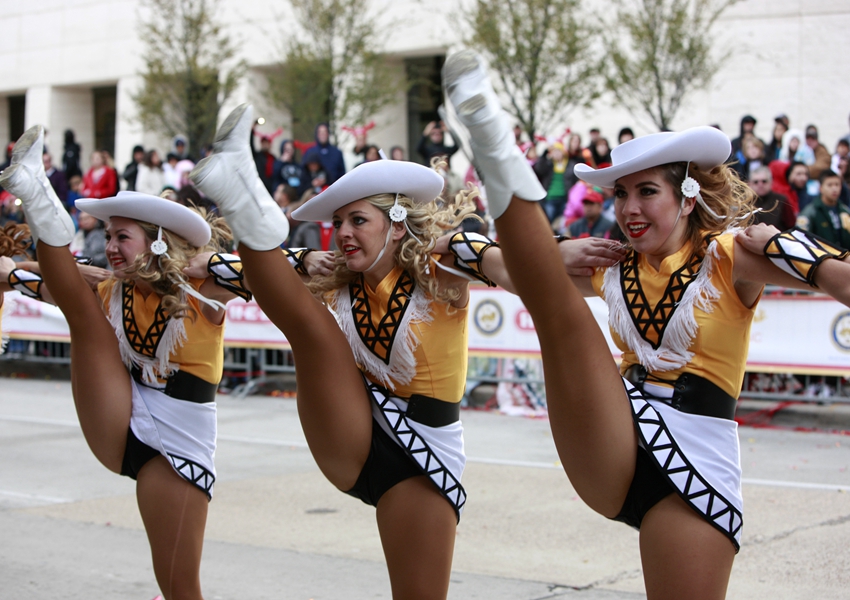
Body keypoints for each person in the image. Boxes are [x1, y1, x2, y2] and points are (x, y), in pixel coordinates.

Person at [441, 49, 850, 600]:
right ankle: (493, 143)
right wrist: (545, 255)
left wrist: (793, 249)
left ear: (686, 197)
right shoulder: (611, 264)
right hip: (614, 435)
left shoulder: (730, 255)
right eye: (621, 194)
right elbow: (497, 268)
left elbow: (842, 283)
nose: (629, 208)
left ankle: (497, 152)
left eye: (646, 191)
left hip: (697, 468)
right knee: (553, 304)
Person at [187, 103, 621, 598]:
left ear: (396, 224)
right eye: (339, 223)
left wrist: (554, 251)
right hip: (353, 431)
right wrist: (287, 258)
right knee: (308, 327)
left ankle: (249, 204)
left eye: (357, 220)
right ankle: (243, 199)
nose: (344, 233)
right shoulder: (334, 274)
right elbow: (230, 276)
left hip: (422, 454)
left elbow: (514, 271)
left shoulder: (447, 266)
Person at [0, 124, 246, 600]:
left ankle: (39, 196)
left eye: (122, 237)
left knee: (178, 585)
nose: (110, 246)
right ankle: (37, 194)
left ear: (156, 241)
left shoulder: (203, 290)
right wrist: (11, 274)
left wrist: (211, 263)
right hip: (120, 415)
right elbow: (53, 287)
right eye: (109, 236)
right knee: (81, 305)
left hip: (177, 448)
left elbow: (266, 275)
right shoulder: (109, 288)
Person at [797, 170, 850, 250]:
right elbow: (800, 239)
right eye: (830, 185)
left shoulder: (844, 210)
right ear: (821, 188)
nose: (834, 189)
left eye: (837, 185)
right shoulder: (810, 212)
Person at [748, 166, 795, 230]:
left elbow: (791, 227)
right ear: (749, 184)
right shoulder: (744, 203)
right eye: (756, 182)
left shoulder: (782, 200)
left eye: (764, 181)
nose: (760, 185)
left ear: (771, 182)